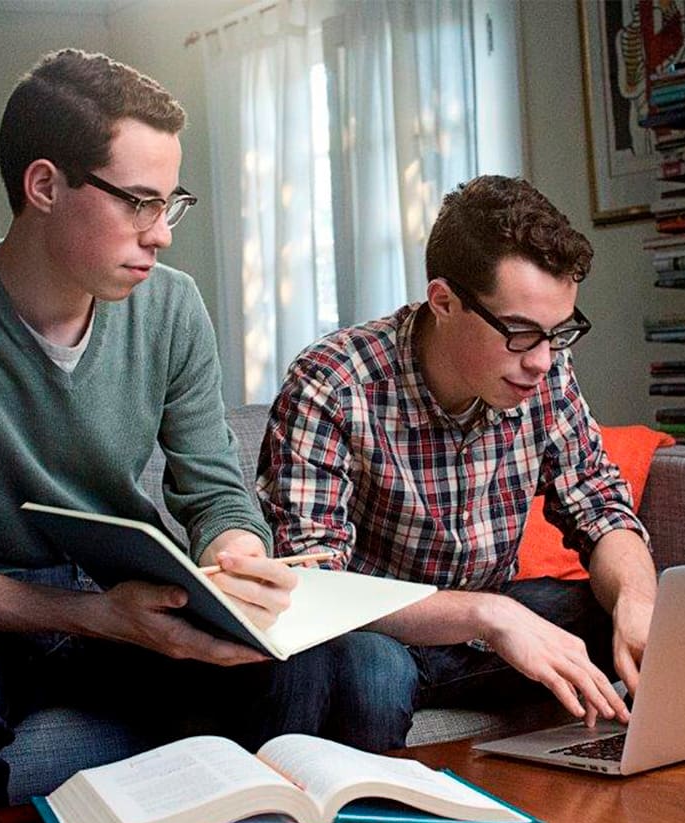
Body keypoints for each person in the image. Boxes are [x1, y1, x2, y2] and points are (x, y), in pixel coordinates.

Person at [0, 48, 403, 821]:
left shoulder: (172, 309)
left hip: (135, 594)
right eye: (138, 202)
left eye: (170, 204)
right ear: (45, 186)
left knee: (296, 666)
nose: (161, 234)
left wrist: (235, 558)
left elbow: (215, 492)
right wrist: (89, 615)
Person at [257, 175, 659, 749]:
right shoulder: (335, 382)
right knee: (371, 671)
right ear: (443, 301)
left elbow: (600, 506)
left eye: (558, 334)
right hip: (378, 634)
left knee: (630, 615)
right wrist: (489, 617)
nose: (543, 361)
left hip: (483, 631)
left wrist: (637, 604)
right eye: (520, 334)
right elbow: (315, 586)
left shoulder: (544, 374)